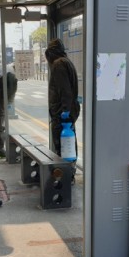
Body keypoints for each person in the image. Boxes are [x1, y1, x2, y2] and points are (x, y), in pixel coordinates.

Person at [45, 39, 80, 179]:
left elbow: (65, 90)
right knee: (69, 144)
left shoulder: (58, 64)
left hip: (62, 113)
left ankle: (65, 176)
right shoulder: (66, 61)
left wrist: (64, 111)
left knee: (63, 146)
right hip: (69, 110)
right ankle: (69, 173)